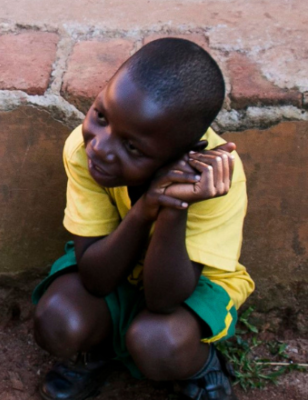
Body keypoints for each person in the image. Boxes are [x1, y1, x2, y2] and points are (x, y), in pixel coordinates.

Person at [31, 38, 254, 400]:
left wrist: (172, 208)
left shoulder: (216, 180)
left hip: (188, 284)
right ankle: (101, 348)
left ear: (187, 154)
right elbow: (95, 278)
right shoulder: (85, 150)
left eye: (132, 147)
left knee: (157, 341)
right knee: (58, 320)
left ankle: (201, 365)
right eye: (101, 115)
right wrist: (146, 207)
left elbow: (164, 299)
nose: (100, 146)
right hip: (112, 262)